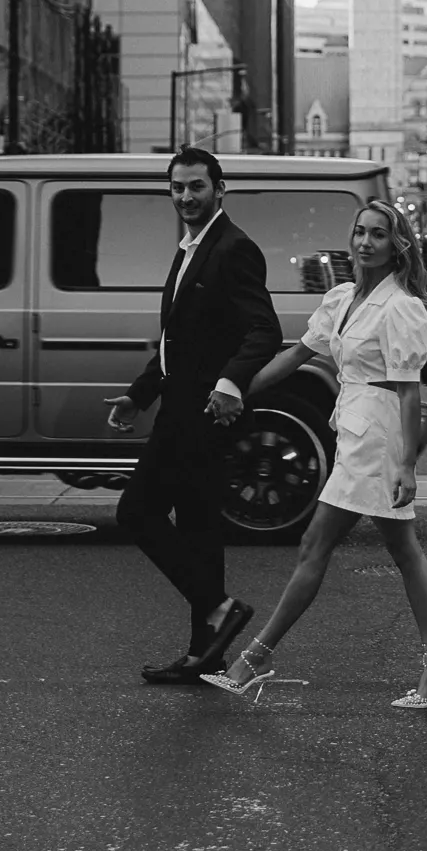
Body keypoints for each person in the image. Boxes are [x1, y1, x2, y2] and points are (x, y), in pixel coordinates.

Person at [208, 198, 427, 709]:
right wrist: (238, 390)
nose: (365, 242)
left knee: (315, 545)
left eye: (378, 235)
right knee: (404, 550)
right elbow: (298, 354)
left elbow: (410, 393)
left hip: (377, 439)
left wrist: (407, 464)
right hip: (353, 428)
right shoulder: (342, 297)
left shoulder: (401, 308)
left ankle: (255, 658)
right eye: (359, 232)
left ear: (397, 246)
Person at [108, 149, 284, 685]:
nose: (186, 197)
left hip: (198, 416)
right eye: (178, 188)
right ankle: (204, 654)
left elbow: (265, 330)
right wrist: (140, 394)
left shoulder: (233, 249)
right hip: (179, 408)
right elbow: (176, 342)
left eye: (197, 187)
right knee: (201, 530)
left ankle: (218, 607)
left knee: (135, 514)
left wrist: (230, 382)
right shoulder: (190, 248)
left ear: (219, 189)